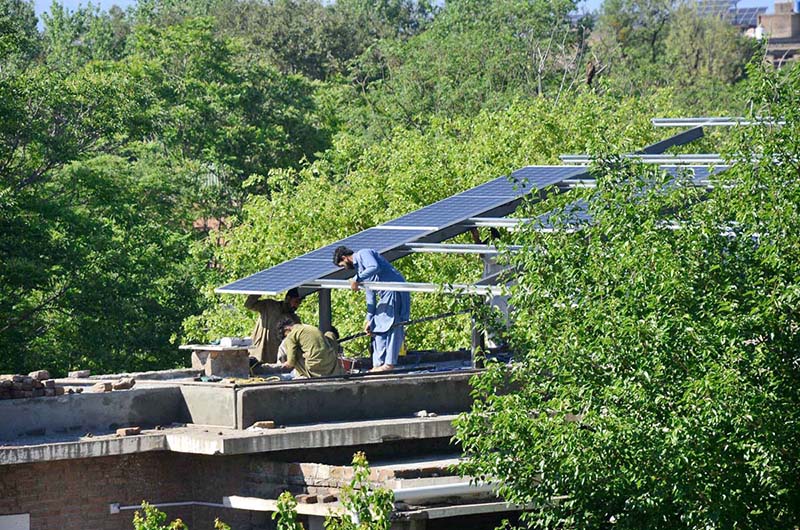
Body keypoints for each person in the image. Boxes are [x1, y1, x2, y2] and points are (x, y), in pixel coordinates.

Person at [333, 246, 410, 372]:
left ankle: (388, 364)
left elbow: (374, 267)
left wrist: (356, 279)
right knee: (377, 327)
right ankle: (378, 364)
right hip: (384, 295)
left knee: (392, 324)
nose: (345, 268)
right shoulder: (360, 270)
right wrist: (369, 319)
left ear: (344, 257)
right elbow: (370, 295)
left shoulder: (364, 253)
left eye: (342, 265)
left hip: (393, 290)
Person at [244, 288, 302, 364]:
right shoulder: (269, 306)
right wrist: (261, 288)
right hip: (259, 353)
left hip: (277, 359)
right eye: (296, 301)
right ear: (288, 299)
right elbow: (249, 304)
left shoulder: (295, 319)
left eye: (299, 303)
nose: (297, 305)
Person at [275, 318, 344, 378]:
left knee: (293, 350)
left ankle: (301, 376)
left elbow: (291, 363)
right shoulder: (307, 327)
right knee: (329, 334)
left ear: (287, 329)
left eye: (285, 335)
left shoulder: (291, 335)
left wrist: (282, 366)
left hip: (315, 367)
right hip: (330, 363)